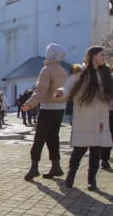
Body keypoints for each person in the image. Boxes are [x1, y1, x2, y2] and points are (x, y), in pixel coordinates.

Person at [54, 46, 113, 191]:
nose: (104, 58)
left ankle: (92, 181)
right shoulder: (81, 73)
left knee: (96, 151)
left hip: (100, 118)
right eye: (101, 55)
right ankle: (71, 176)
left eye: (105, 55)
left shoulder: (106, 74)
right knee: (79, 150)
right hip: (84, 117)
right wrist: (61, 92)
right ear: (92, 56)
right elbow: (68, 86)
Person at [21, 43, 68, 181]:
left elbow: (40, 91)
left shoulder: (46, 70)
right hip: (60, 109)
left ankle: (34, 168)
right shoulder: (63, 71)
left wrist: (29, 103)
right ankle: (56, 166)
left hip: (47, 109)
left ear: (50, 55)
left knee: (39, 139)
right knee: (53, 138)